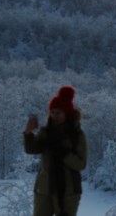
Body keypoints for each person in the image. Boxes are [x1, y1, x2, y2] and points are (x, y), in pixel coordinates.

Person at [23, 85, 87, 216]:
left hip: (68, 192)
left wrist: (63, 152)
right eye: (52, 112)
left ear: (67, 113)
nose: (54, 116)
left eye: (58, 113)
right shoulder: (46, 132)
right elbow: (31, 149)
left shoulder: (77, 135)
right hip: (44, 189)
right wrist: (28, 132)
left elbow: (81, 164)